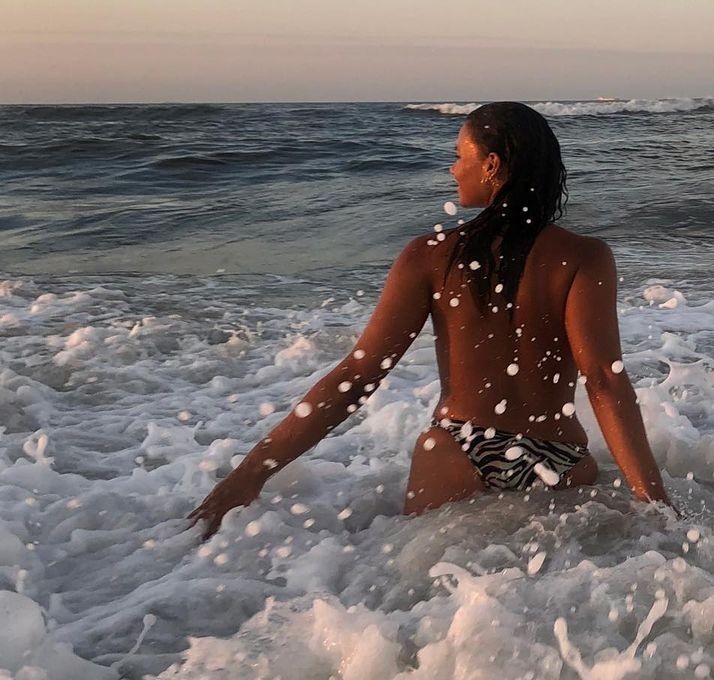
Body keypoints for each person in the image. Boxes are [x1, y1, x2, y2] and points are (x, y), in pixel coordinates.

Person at [188, 101, 674, 537]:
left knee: (432, 593)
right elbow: (604, 381)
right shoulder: (585, 257)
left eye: (460, 156)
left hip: (459, 451)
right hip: (561, 459)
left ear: (491, 165)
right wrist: (656, 504)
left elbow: (359, 374)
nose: (453, 168)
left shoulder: (430, 255)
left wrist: (249, 475)